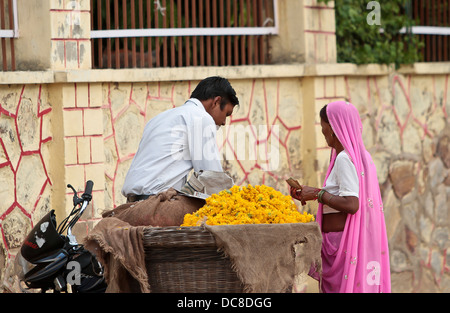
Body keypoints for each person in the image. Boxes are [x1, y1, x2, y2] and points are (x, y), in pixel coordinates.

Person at [289, 101, 391, 293]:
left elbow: (352, 204)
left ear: (334, 127)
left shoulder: (344, 158)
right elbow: (342, 193)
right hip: (344, 241)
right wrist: (312, 193)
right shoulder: (361, 156)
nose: (322, 131)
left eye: (323, 125)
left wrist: (319, 195)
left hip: (341, 243)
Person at [122, 76, 239, 203]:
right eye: (226, 114)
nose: (224, 122)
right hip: (156, 204)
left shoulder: (160, 118)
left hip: (131, 203)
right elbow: (212, 178)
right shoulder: (201, 118)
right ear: (216, 102)